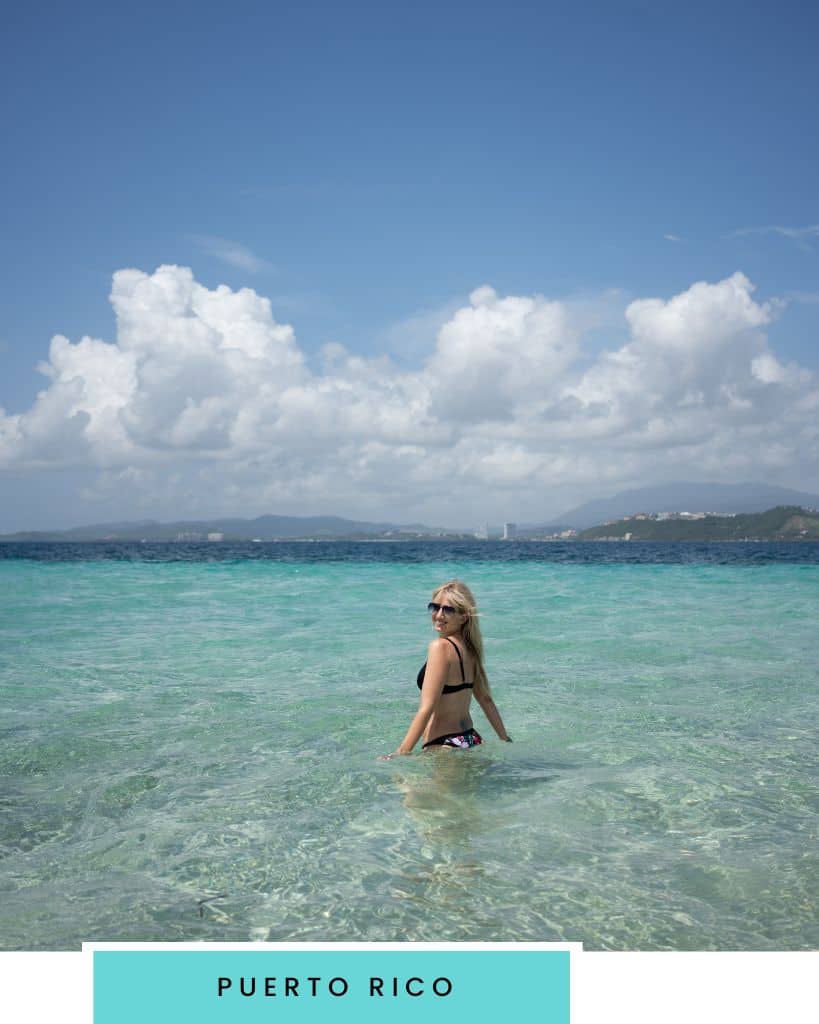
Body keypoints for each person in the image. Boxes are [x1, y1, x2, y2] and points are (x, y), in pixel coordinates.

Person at [383, 580, 511, 757]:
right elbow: (485, 699)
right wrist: (505, 739)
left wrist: (401, 752)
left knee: (399, 782)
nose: (439, 614)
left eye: (448, 610)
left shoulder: (440, 647)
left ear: (463, 617)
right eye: (435, 607)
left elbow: (427, 707)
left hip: (445, 744)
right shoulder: (471, 649)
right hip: (471, 739)